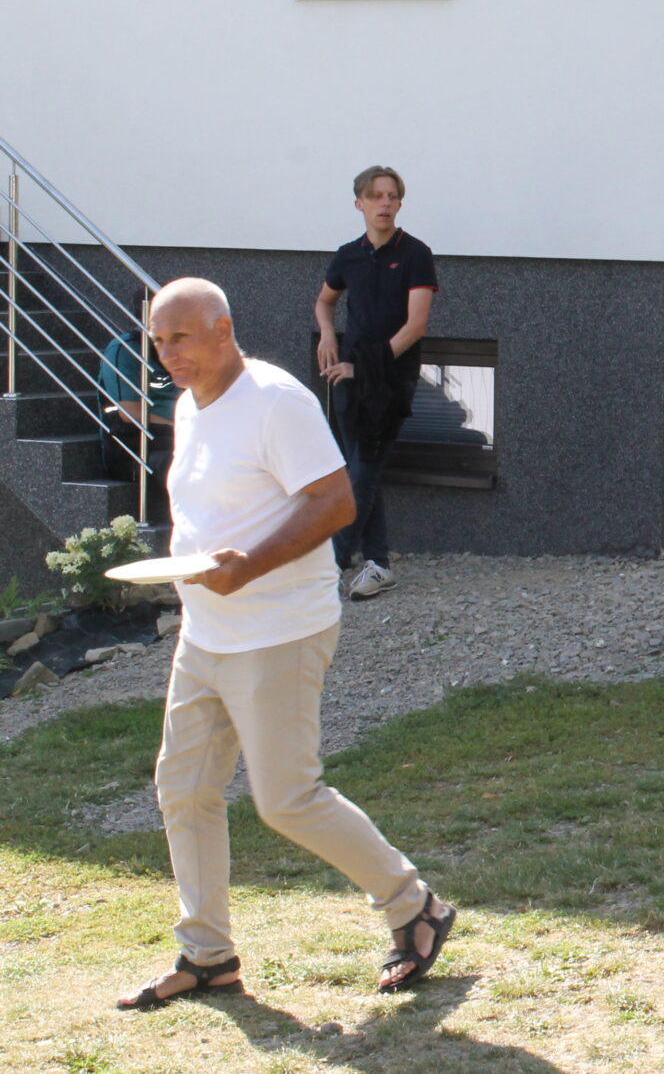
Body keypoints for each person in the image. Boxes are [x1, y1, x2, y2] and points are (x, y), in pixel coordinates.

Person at [118, 278, 455, 1011]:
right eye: (159, 341)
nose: (167, 354)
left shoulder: (276, 401)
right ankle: (207, 955)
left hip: (278, 630)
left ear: (223, 328)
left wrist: (247, 567)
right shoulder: (191, 404)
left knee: (287, 798)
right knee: (184, 788)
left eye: (180, 338)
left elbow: (335, 502)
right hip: (207, 634)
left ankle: (415, 905)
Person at [314, 166, 437, 600]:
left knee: (363, 468)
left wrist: (363, 369)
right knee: (362, 470)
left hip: (390, 379)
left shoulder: (416, 254)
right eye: (375, 196)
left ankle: (329, 566)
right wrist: (327, 335)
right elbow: (325, 301)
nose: (384, 203)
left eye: (391, 196)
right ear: (360, 204)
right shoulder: (348, 255)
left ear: (400, 203)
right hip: (348, 375)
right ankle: (379, 564)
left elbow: (415, 326)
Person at [96, 296, 178, 481]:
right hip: (136, 448)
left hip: (179, 440)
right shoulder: (124, 349)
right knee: (193, 468)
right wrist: (185, 426)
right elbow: (130, 413)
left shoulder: (181, 348)